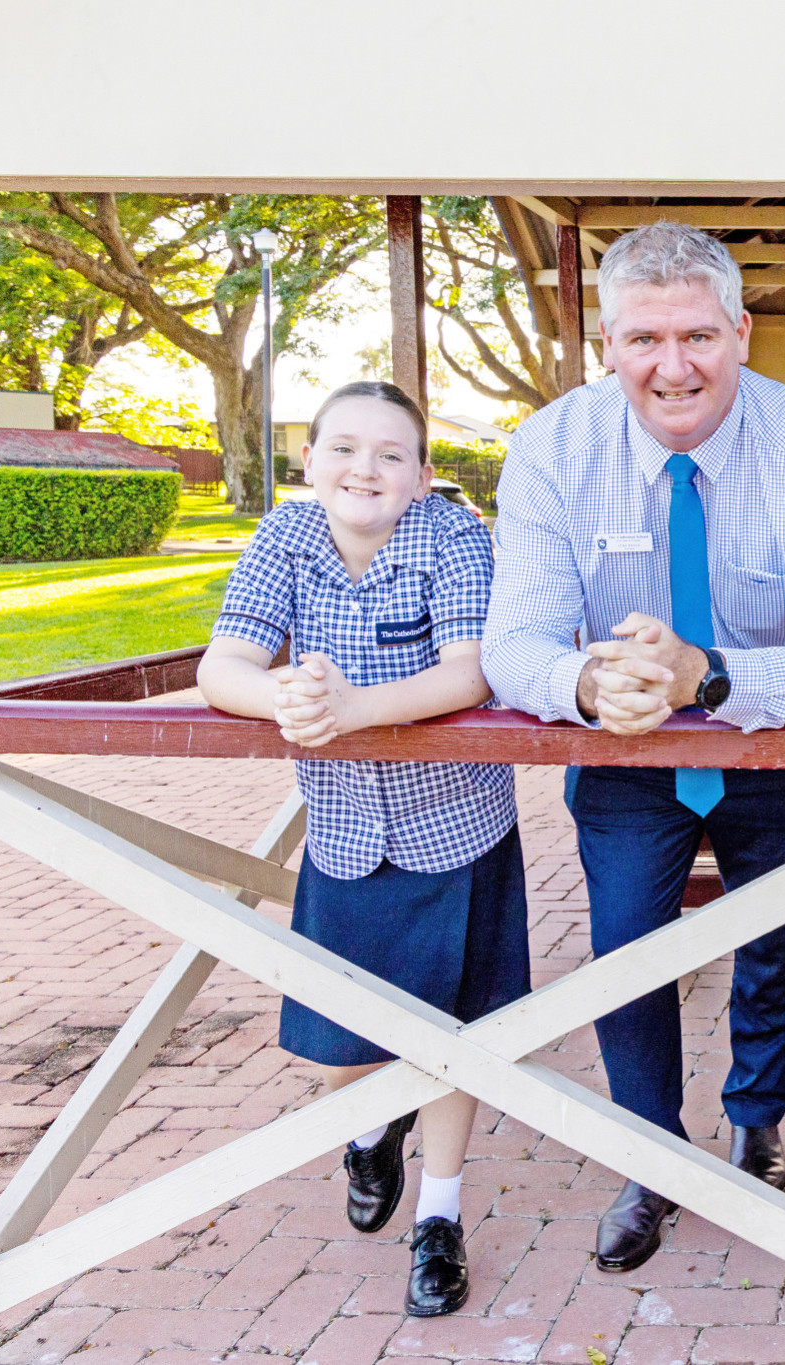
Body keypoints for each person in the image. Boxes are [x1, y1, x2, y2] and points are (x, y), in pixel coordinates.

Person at [481, 220, 785, 1274]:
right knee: (623, 949)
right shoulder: (550, 450)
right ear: (605, 341)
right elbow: (511, 642)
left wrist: (705, 675)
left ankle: (756, 1121)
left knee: (773, 938)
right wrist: (582, 681)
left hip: (770, 735)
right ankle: (649, 1153)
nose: (673, 367)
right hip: (619, 749)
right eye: (644, 339)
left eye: (697, 336)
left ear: (741, 331)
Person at [196, 381, 529, 1319]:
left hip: (457, 828)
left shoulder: (455, 536)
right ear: (310, 463)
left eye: (391, 454)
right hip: (343, 832)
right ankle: (370, 1128)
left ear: (423, 474)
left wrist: (351, 710)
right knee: (347, 1042)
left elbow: (469, 670)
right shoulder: (283, 537)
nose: (365, 469)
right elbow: (223, 664)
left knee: (456, 1039)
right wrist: (285, 701)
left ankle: (441, 1214)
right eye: (343, 448)